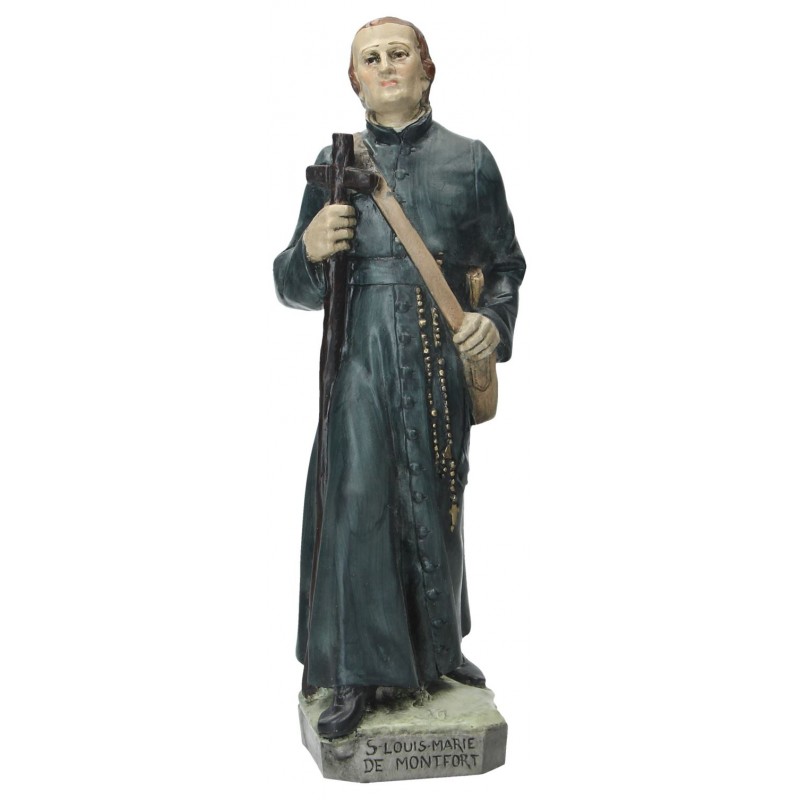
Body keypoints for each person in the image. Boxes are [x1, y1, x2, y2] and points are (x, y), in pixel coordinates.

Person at [274, 17, 526, 739]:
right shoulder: (334, 164)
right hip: (361, 358)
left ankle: (437, 654)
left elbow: (505, 267)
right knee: (360, 502)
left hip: (439, 355)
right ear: (355, 80)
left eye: (399, 53)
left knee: (441, 499)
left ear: (426, 68)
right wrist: (310, 250)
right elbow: (291, 284)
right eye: (371, 58)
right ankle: (357, 669)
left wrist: (493, 322)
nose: (386, 65)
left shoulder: (470, 161)